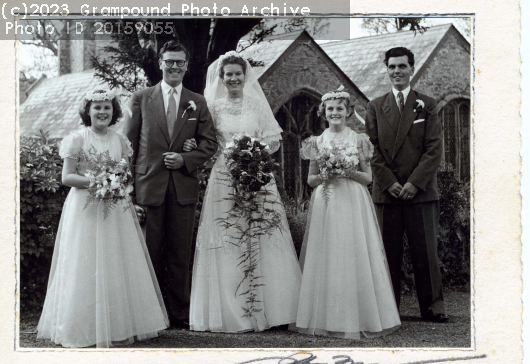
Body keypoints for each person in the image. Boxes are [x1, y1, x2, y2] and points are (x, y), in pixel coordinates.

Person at [36, 89, 169, 348]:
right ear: (87, 111)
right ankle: (83, 328)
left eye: (107, 107)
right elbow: (67, 177)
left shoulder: (120, 141)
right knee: (84, 263)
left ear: (114, 112)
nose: (102, 112)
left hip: (114, 208)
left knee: (115, 260)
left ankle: (118, 327)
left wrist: (118, 186)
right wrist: (98, 181)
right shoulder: (77, 139)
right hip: (84, 209)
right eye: (96, 107)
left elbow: (125, 177)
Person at [189, 51, 302, 332]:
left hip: (256, 174)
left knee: (262, 233)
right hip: (224, 175)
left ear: (245, 76)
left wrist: (255, 156)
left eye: (238, 74)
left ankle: (272, 309)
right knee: (228, 235)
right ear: (221, 77)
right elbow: (205, 141)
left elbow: (273, 139)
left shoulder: (255, 105)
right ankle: (232, 311)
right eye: (228, 74)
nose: (234, 78)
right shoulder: (212, 107)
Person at [291, 88, 401, 339]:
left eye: (340, 108)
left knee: (353, 251)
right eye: (330, 109)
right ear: (323, 113)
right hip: (326, 202)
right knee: (328, 252)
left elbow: (368, 177)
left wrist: (348, 172)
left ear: (349, 111)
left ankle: (360, 316)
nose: (335, 112)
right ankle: (326, 316)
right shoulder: (317, 142)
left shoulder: (359, 140)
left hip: (352, 200)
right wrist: (326, 174)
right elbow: (310, 180)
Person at [122, 41, 218, 330]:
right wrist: (128, 190)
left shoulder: (197, 101)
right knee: (148, 252)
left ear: (187, 66)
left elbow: (209, 143)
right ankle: (147, 313)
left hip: (182, 188)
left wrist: (186, 158)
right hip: (147, 186)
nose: (174, 67)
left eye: (180, 62)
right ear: (160, 63)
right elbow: (128, 146)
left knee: (179, 253)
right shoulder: (140, 98)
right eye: (169, 62)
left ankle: (178, 314)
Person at [365, 47, 448, 323]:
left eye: (402, 66)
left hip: (420, 192)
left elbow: (434, 149)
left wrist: (414, 182)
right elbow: (372, 150)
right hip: (387, 193)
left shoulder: (428, 104)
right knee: (387, 253)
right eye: (392, 67)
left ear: (412, 68)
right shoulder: (375, 106)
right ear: (386, 70)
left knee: (425, 251)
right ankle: (389, 310)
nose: (397, 71)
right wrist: (389, 182)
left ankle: (432, 308)